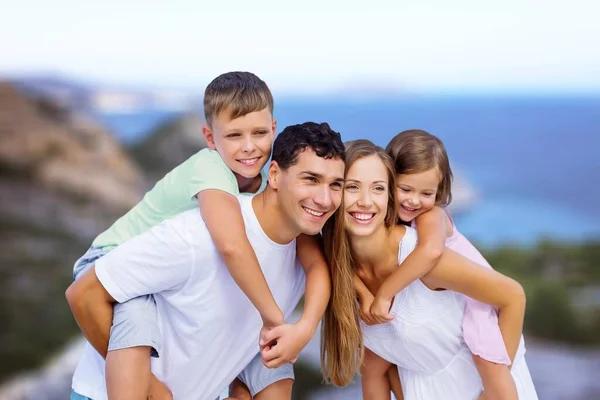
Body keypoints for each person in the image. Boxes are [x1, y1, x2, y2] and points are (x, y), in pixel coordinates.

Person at [69, 72, 328, 398]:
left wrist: (301, 329)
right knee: (136, 324)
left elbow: (313, 259)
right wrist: (274, 319)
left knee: (264, 354)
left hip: (160, 277)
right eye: (234, 135)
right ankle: (152, 391)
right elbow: (232, 246)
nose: (249, 147)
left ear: (273, 129)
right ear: (210, 138)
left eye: (260, 133)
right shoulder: (210, 170)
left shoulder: (264, 185)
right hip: (109, 256)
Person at [321, 139, 538, 400]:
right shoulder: (337, 267)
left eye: (377, 188)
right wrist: (366, 295)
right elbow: (375, 369)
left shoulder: (422, 254)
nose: (365, 201)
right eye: (352, 187)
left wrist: (500, 371)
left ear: (388, 195)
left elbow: (513, 295)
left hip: (481, 381)